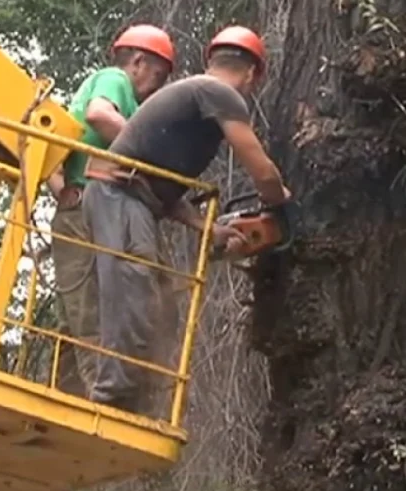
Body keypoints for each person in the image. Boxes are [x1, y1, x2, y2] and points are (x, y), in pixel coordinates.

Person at [81, 25, 291, 413]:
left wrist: (209, 227)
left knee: (162, 305)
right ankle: (110, 400)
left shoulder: (195, 100)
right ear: (251, 75)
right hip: (118, 193)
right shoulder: (218, 94)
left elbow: (162, 187)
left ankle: (137, 397)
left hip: (134, 197)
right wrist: (283, 204)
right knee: (134, 292)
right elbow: (262, 172)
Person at [45, 24, 176, 397]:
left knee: (90, 306)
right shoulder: (114, 80)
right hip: (89, 211)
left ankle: (76, 393)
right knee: (90, 308)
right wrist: (153, 153)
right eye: (159, 75)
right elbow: (99, 115)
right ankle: (101, 401)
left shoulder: (131, 106)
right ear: (138, 61)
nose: (160, 85)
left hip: (90, 207)